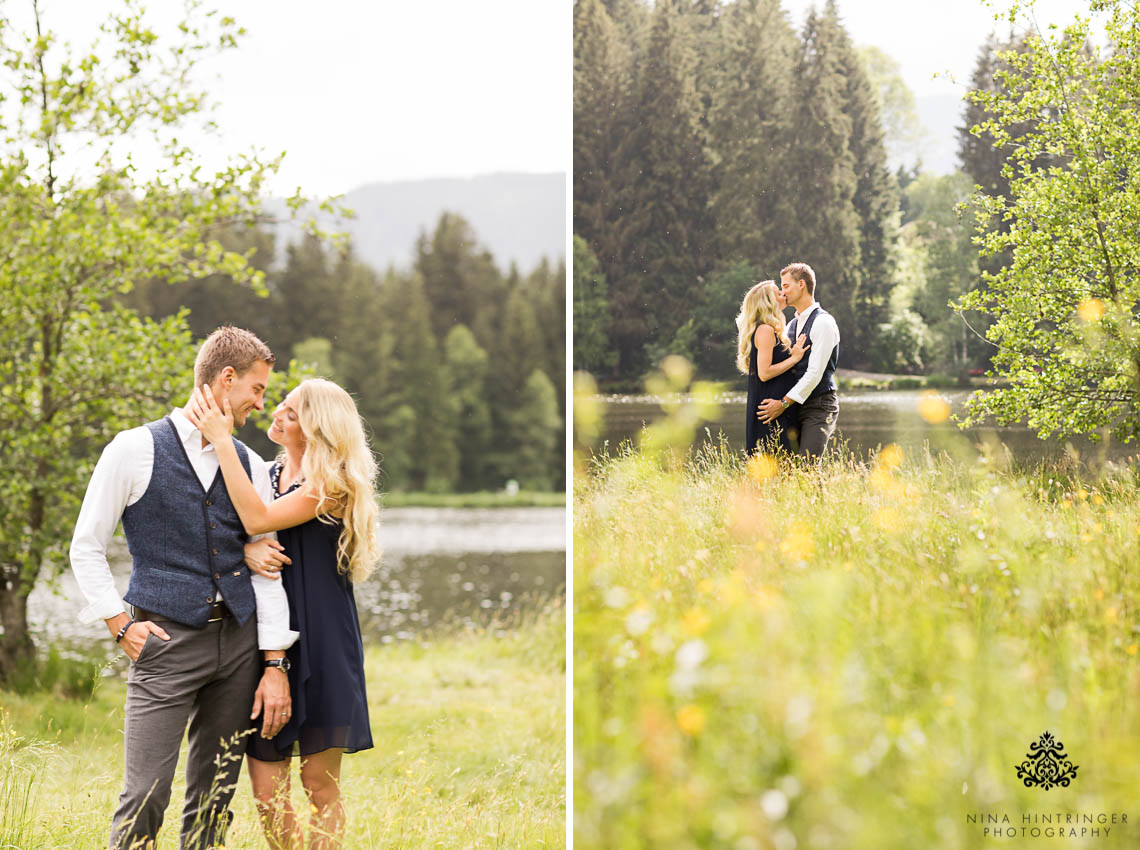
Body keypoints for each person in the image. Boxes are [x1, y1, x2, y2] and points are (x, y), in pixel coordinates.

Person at [69, 326, 300, 850]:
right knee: (145, 794)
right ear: (226, 379)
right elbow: (85, 546)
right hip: (164, 640)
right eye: (257, 390)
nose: (261, 405)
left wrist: (272, 661)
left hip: (238, 644)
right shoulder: (134, 449)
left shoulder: (248, 462)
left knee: (214, 796)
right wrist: (118, 623)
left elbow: (263, 568)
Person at [188, 377, 380, 850]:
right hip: (266, 638)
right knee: (267, 791)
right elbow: (233, 531)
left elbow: (257, 521)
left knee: (318, 782)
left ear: (315, 430)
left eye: (291, 412)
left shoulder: (331, 484)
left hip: (325, 638)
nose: (276, 413)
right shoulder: (263, 475)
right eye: (280, 403)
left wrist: (221, 440)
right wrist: (248, 553)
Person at [757, 262, 841, 462]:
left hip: (819, 405)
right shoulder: (792, 325)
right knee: (787, 467)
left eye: (786, 286)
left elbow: (814, 374)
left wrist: (783, 403)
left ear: (801, 284)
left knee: (808, 467)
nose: (783, 292)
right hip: (793, 406)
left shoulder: (823, 322)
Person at [735, 280, 810, 454]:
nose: (783, 294)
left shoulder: (770, 330)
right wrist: (794, 358)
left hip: (776, 406)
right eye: (778, 293)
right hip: (770, 409)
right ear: (769, 302)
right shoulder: (765, 330)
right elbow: (764, 373)